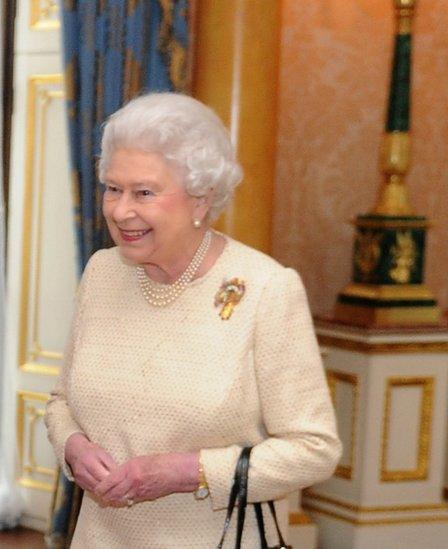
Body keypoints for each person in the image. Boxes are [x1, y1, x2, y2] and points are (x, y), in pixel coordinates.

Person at [44, 92, 341, 548]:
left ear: (201, 200)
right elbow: (63, 401)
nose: (121, 211)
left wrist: (190, 471)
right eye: (113, 188)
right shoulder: (103, 272)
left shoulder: (265, 290)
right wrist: (73, 448)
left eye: (144, 192)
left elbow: (314, 451)